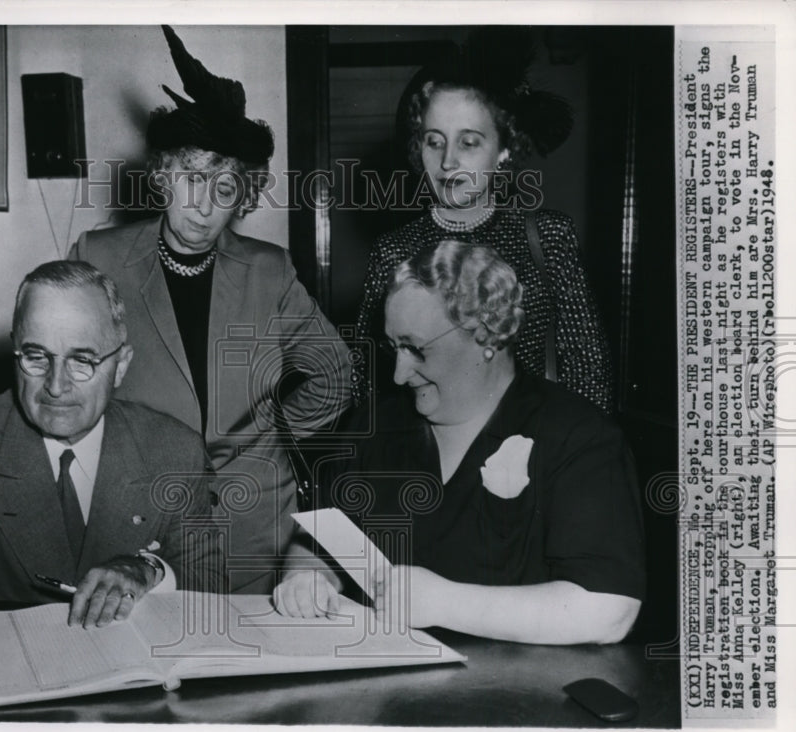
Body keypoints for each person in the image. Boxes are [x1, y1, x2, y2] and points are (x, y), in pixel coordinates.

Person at [71, 26, 352, 594]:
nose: (203, 205)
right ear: (163, 175)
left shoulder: (269, 271)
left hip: (255, 528)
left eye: (225, 189)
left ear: (242, 197)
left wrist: (270, 435)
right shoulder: (99, 258)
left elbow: (335, 373)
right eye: (192, 179)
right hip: (139, 525)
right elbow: (71, 381)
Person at [0, 261, 223, 684]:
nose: (55, 385)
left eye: (82, 360)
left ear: (121, 366)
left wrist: (146, 569)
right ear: (15, 352)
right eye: (37, 357)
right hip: (1, 697)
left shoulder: (173, 450)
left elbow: (210, 574)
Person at [275, 241, 644, 644]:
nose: (399, 374)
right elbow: (320, 538)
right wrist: (306, 577)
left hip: (521, 698)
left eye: (416, 349)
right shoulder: (376, 426)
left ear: (486, 335)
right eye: (394, 347)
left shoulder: (576, 437)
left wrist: (444, 602)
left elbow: (610, 610)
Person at [353, 27, 614, 413]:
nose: (448, 162)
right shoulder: (394, 252)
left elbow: (589, 374)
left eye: (469, 142)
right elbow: (367, 382)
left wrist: (562, 458)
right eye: (434, 141)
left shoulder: (547, 237)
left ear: (504, 151)